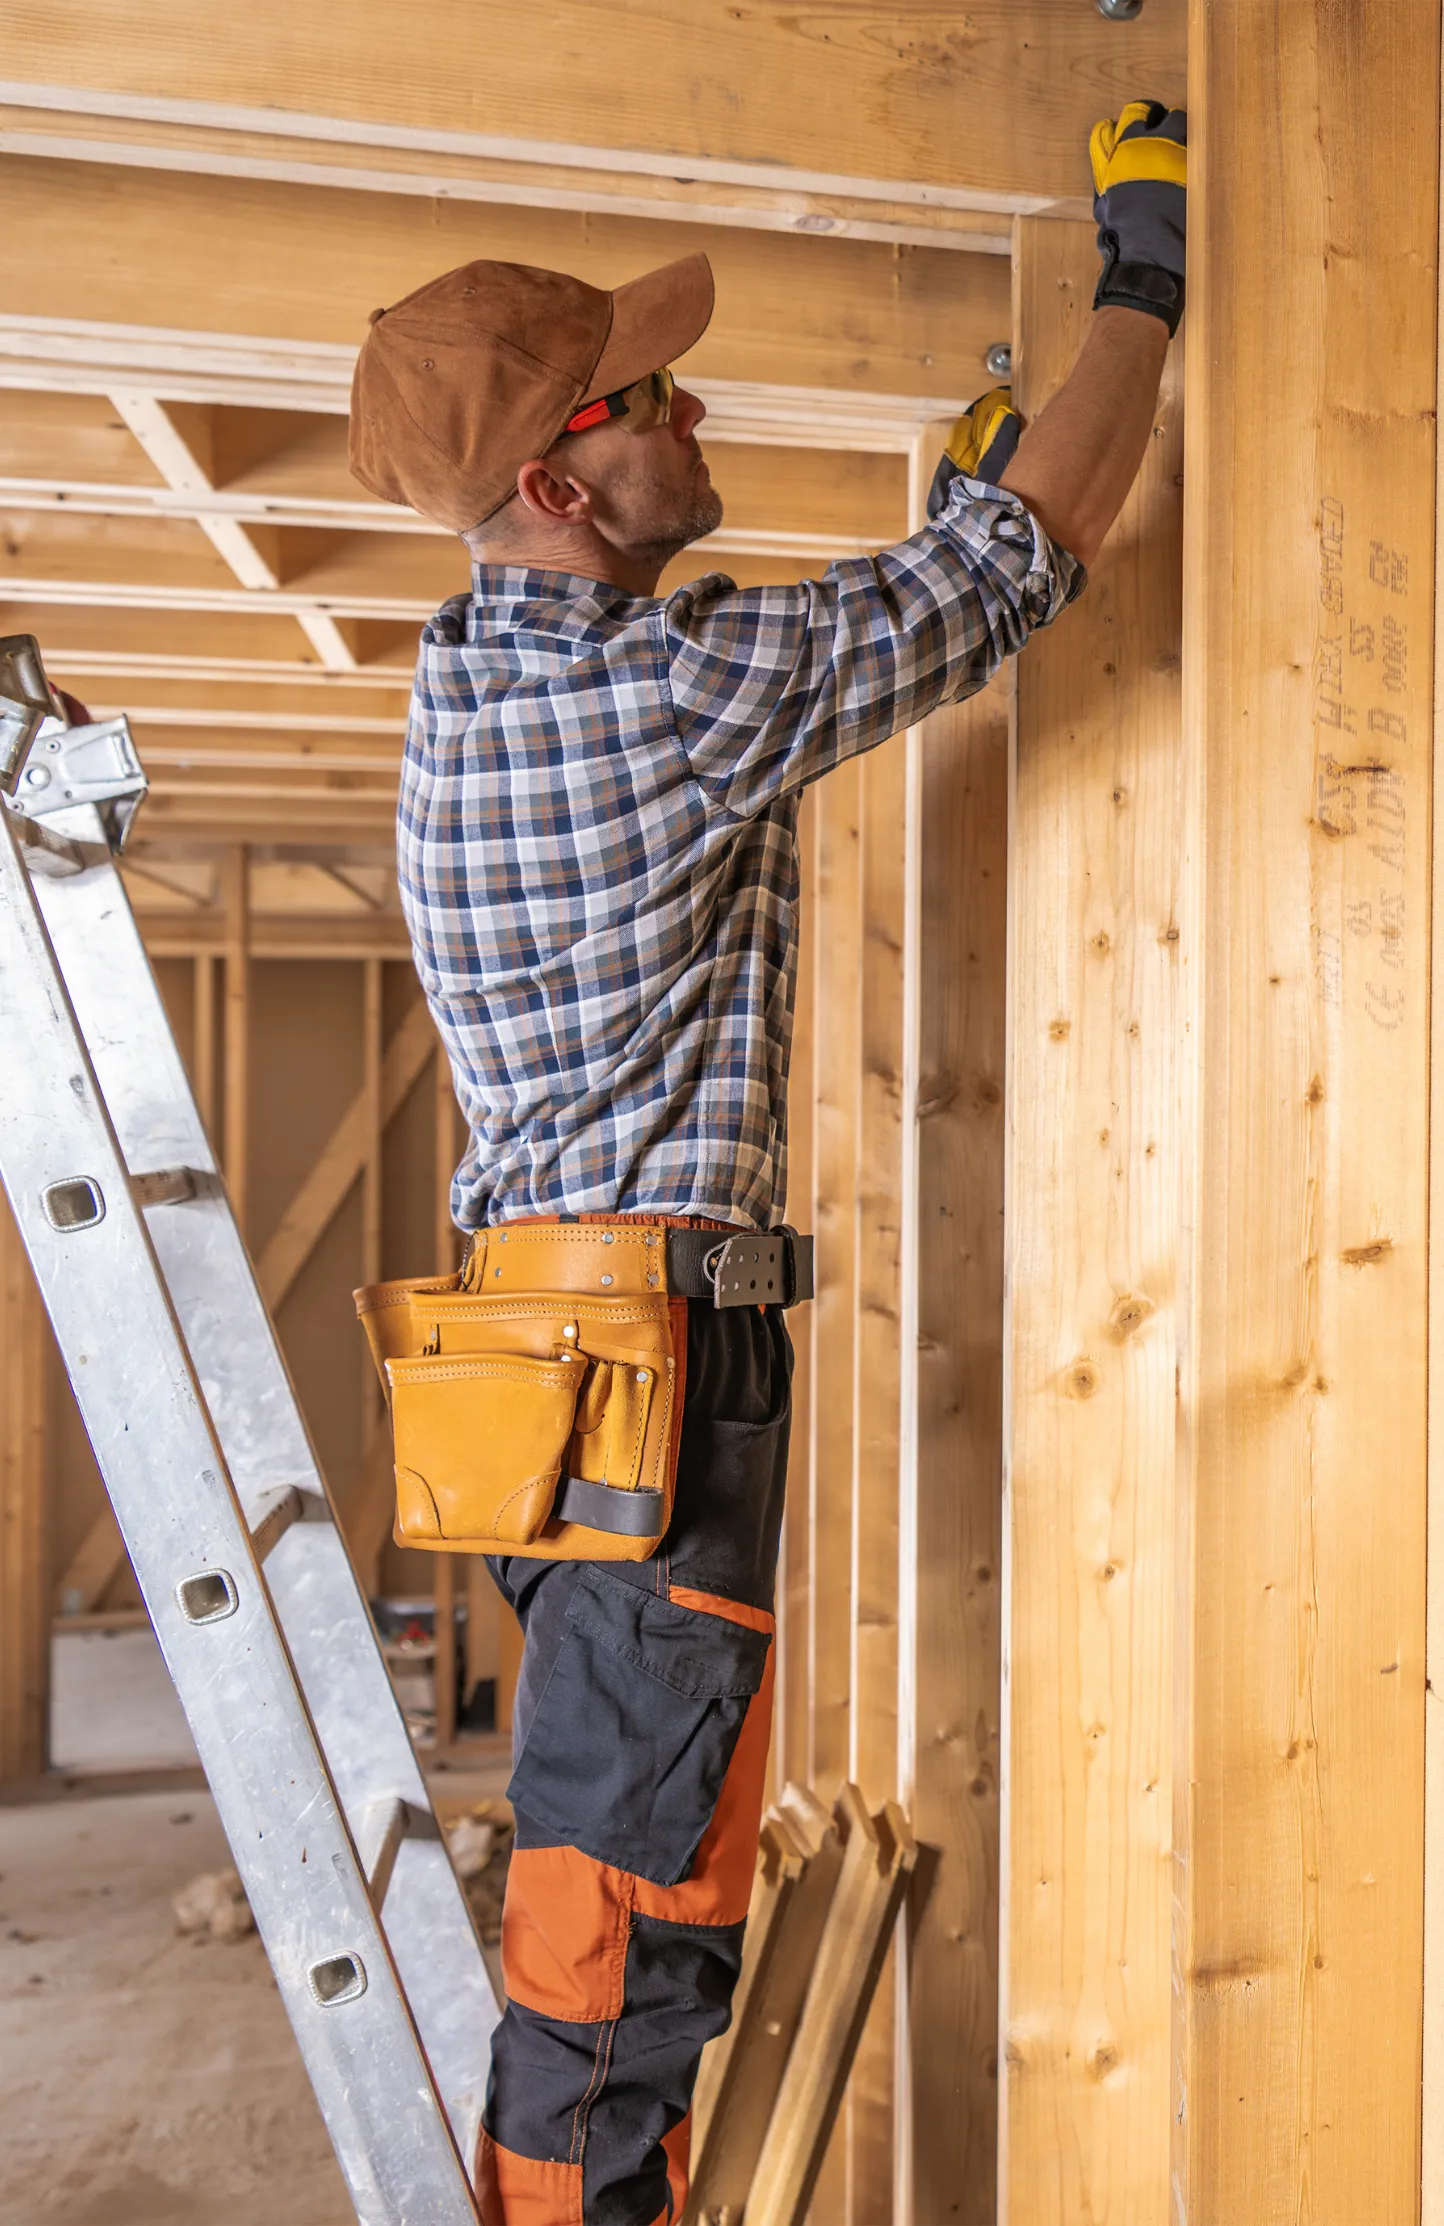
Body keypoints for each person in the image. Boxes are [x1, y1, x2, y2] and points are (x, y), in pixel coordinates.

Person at [349, 99, 1186, 2226]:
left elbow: (852, 624)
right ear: (558, 479)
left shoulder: (495, 683)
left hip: (572, 1382)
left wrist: (994, 457)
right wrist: (1143, 282)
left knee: (624, 1887)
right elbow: (1005, 570)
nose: (691, 402)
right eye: (648, 396)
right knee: (621, 1937)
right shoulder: (652, 702)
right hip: (639, 1381)